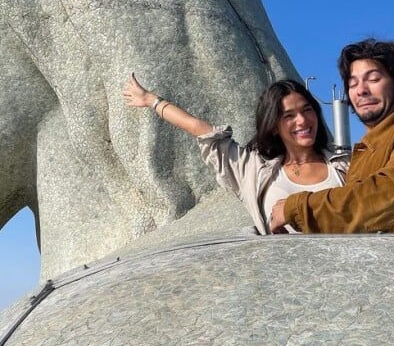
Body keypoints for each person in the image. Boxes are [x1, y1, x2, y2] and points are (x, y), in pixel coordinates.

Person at [270, 38, 394, 234]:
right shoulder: (367, 149)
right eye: (352, 83)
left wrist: (296, 208)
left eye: (373, 79)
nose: (361, 90)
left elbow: (391, 198)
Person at [122, 75, 350, 234]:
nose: (302, 120)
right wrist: (151, 100)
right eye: (288, 116)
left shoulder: (344, 166)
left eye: (307, 110)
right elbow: (200, 129)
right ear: (273, 125)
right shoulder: (252, 169)